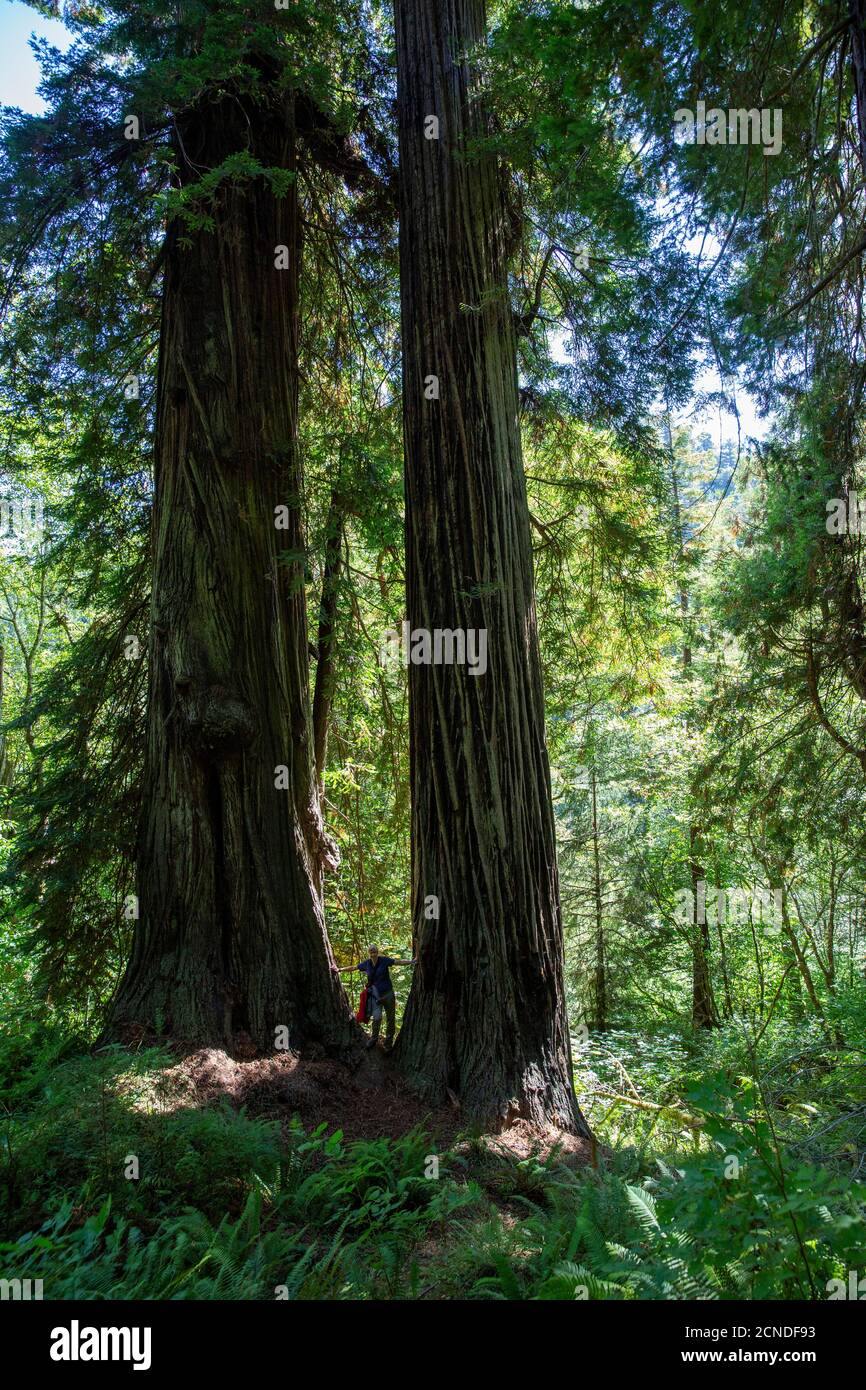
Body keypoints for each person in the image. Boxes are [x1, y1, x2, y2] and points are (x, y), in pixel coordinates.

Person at [336, 945, 415, 1049]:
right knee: (377, 1017)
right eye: (371, 950)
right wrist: (339, 969)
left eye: (374, 950)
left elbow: (398, 962)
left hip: (388, 994)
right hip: (375, 995)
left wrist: (412, 961)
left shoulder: (384, 960)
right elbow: (354, 967)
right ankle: (373, 1039)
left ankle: (388, 1043)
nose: (373, 952)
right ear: (369, 952)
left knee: (391, 1019)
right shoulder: (367, 964)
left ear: (377, 951)